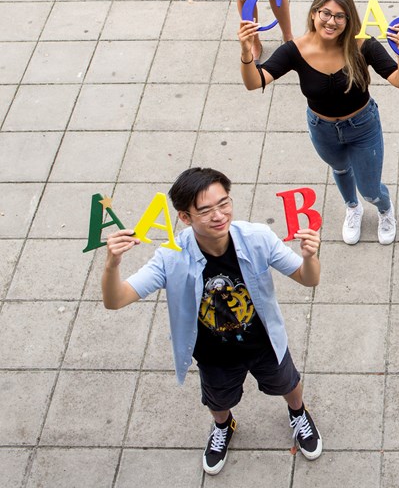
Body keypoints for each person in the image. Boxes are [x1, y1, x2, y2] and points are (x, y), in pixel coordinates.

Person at [100, 167, 322, 476]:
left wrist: (310, 258)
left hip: (265, 344)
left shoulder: (257, 237)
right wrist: (113, 264)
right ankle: (224, 426)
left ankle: (298, 413)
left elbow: (307, 279)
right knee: (217, 400)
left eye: (224, 203)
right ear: (185, 217)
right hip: (213, 356)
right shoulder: (170, 257)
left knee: (288, 383)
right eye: (205, 210)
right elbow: (116, 300)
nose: (219, 215)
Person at [239, 0, 399, 245]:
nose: (332, 22)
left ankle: (384, 209)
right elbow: (254, 82)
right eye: (326, 13)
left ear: (349, 19)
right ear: (313, 14)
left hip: (363, 126)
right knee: (341, 169)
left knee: (370, 188)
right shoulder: (295, 50)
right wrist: (245, 53)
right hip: (322, 128)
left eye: (340, 16)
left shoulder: (362, 45)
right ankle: (352, 208)